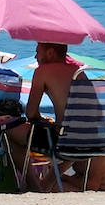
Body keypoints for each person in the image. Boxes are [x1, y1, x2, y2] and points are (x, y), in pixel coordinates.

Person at [5, 42, 80, 191]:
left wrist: (40, 119)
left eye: (38, 52)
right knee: (70, 140)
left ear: (50, 53)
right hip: (91, 140)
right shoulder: (79, 72)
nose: (35, 56)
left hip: (63, 141)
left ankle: (34, 185)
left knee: (7, 131)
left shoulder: (43, 71)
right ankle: (46, 184)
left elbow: (31, 113)